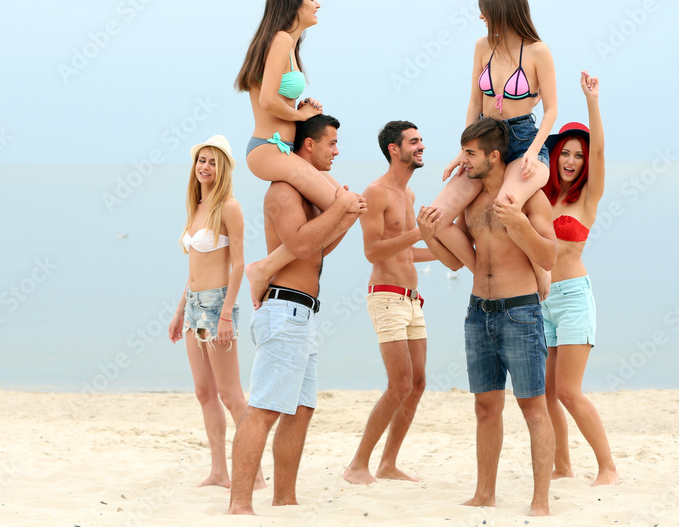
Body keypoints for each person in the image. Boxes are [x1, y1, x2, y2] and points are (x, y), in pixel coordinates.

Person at [418, 117, 558, 517]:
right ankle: (485, 493)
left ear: (495, 157)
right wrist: (430, 235)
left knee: (533, 408)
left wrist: (520, 224)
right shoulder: (472, 201)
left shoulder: (530, 198)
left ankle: (540, 501)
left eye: (470, 154)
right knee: (485, 408)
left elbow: (548, 257)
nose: (463, 162)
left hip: (521, 313)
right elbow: (459, 262)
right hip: (478, 313)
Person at [228, 115, 365, 515]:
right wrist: (338, 208)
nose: (337, 151)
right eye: (331, 143)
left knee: (301, 410)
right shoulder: (284, 192)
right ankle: (239, 505)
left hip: (302, 314)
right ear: (308, 146)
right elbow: (302, 246)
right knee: (265, 409)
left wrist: (345, 216)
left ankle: (284, 498)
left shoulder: (308, 195)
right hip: (283, 310)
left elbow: (318, 247)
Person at [234, 0, 363, 306]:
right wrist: (302, 117)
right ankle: (263, 269)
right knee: (341, 204)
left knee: (352, 206)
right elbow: (266, 101)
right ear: (294, 5)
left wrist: (303, 109)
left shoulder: (289, 45)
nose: (317, 4)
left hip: (283, 150)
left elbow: (280, 103)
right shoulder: (278, 40)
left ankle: (280, 262)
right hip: (268, 149)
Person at [430, 0, 557, 299]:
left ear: (502, 11)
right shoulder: (482, 47)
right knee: (437, 215)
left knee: (506, 205)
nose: (481, 18)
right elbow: (474, 102)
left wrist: (531, 152)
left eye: (485, 12)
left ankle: (540, 269)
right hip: (485, 140)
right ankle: (479, 273)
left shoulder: (538, 51)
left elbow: (552, 110)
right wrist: (464, 151)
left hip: (523, 141)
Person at [167, 135, 265, 489]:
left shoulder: (229, 207)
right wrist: (179, 312)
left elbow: (238, 265)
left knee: (230, 394)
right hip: (194, 306)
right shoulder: (197, 205)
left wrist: (226, 314)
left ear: (222, 167)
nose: (205, 167)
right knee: (204, 392)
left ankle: (255, 475)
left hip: (216, 304)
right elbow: (193, 267)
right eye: (201, 161)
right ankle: (219, 472)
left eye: (212, 161)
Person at [343, 121, 436, 485]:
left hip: (413, 300)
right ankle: (357, 465)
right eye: (414, 141)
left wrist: (445, 252)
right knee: (399, 383)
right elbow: (372, 251)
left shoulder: (409, 196)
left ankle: (388, 464)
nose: (421, 146)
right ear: (394, 149)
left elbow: (408, 249)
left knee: (418, 383)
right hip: (386, 297)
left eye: (421, 140)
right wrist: (419, 232)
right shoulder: (376, 191)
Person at [541, 72, 619, 486]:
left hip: (573, 298)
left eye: (578, 156)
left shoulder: (586, 198)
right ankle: (562, 465)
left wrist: (592, 101)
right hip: (542, 302)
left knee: (570, 391)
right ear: (555, 157)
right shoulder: (544, 196)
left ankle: (608, 468)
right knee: (548, 394)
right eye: (566, 153)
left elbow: (602, 152)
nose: (572, 161)